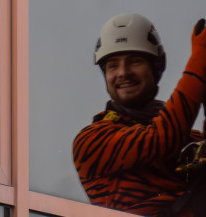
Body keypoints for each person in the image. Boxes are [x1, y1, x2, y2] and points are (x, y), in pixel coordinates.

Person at [73, 13, 206, 216]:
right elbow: (161, 138)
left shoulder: (188, 137)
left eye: (134, 61)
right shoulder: (91, 140)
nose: (123, 72)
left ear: (156, 69)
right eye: (113, 65)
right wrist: (200, 62)